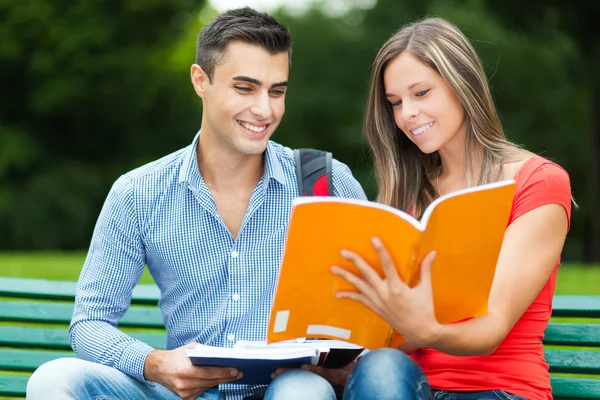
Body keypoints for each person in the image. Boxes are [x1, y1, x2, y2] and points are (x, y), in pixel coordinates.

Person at [25, 7, 366, 400]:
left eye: (277, 91)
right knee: (53, 380)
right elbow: (88, 323)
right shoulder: (138, 193)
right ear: (200, 80)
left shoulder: (325, 181)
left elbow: (371, 310)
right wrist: (154, 363)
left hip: (289, 389)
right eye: (245, 88)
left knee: (303, 390)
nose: (265, 109)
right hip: (183, 394)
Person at [321, 16, 572, 400]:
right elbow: (394, 338)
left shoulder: (537, 181)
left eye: (421, 93)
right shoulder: (407, 195)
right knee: (379, 367)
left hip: (498, 390)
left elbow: (492, 330)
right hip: (410, 386)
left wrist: (427, 331)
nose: (406, 114)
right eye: (395, 103)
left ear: (462, 85)